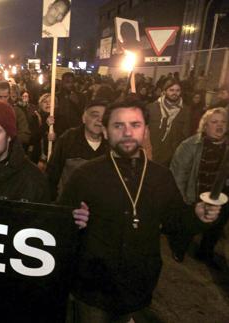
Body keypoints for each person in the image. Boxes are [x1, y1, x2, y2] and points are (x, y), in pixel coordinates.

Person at [59, 97, 220, 322]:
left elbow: (176, 222)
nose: (127, 132)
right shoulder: (85, 175)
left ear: (145, 131)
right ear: (105, 131)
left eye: (135, 125)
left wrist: (198, 215)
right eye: (118, 125)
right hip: (92, 288)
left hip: (138, 286)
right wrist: (72, 220)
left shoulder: (161, 177)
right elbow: (59, 224)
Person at [169, 108, 229, 265]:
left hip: (220, 197)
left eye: (223, 122)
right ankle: (179, 248)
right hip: (194, 194)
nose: (219, 126)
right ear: (205, 125)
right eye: (214, 122)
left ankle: (205, 253)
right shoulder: (190, 145)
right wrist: (183, 200)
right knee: (189, 226)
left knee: (215, 227)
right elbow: (179, 174)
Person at [47, 101, 109, 201]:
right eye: (95, 115)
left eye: (104, 116)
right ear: (84, 118)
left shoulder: (111, 143)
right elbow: (52, 173)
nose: (100, 120)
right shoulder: (68, 139)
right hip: (69, 204)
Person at [147, 78, 192, 167]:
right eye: (171, 90)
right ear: (164, 91)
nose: (174, 93)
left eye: (177, 90)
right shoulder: (151, 108)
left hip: (170, 158)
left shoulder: (185, 111)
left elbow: (186, 135)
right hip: (150, 153)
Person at [0, 81, 32, 146]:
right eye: (0, 97)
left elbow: (25, 135)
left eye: (5, 97)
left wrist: (9, 139)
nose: (2, 100)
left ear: (9, 95)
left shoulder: (17, 111)